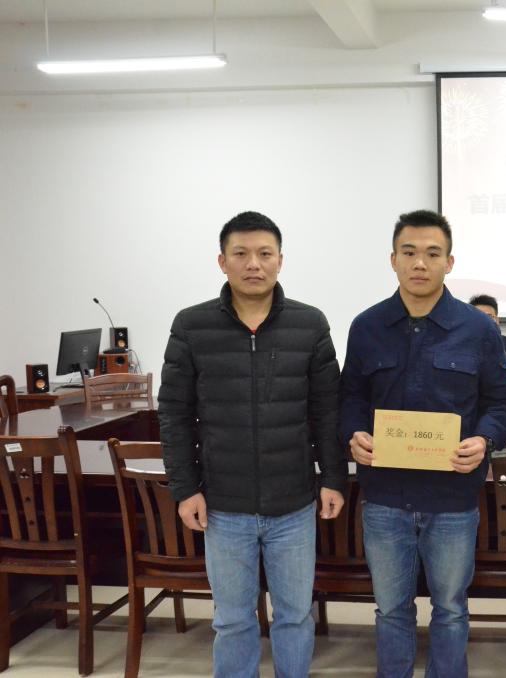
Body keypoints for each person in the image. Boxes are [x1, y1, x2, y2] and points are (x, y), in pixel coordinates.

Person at [158, 211, 345, 678]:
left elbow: (327, 412)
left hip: (294, 504)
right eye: (241, 254)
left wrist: (333, 479)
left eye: (264, 253)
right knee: (233, 620)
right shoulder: (192, 325)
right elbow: (174, 415)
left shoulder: (309, 324)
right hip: (224, 506)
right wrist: (185, 489)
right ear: (222, 261)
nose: (253, 264)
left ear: (281, 260)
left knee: (295, 616)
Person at [340, 209, 506, 678]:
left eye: (433, 254)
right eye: (409, 252)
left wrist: (484, 439)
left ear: (449, 262)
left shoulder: (479, 330)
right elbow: (350, 397)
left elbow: (501, 403)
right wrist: (353, 434)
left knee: (451, 609)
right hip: (385, 498)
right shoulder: (367, 326)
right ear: (393, 260)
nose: (420, 263)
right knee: (391, 609)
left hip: (452, 500)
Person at [469, 293, 506, 363]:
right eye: (478, 317)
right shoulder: (462, 346)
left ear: (497, 320)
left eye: (488, 317)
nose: (484, 321)